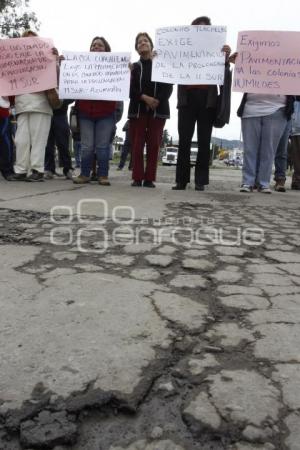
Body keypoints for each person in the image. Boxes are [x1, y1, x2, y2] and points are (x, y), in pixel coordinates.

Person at [172, 16, 231, 191]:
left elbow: (224, 77)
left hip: (208, 100)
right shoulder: (183, 48)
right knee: (184, 140)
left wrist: (225, 60)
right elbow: (169, 66)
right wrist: (159, 58)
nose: (201, 29)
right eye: (198, 27)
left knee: (205, 141)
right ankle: (181, 180)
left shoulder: (217, 50)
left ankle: (200, 181)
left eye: (205, 27)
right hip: (186, 99)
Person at [9, 30, 58, 182]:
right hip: (22, 106)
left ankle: (37, 169)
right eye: (26, 40)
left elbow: (57, 77)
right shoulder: (17, 62)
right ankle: (21, 170)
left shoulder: (48, 58)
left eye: (32, 40)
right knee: (21, 140)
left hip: (41, 105)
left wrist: (55, 60)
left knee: (38, 140)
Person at [128, 32, 173, 188]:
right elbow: (130, 89)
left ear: (152, 45)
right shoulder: (134, 67)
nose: (142, 43)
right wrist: (144, 98)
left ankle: (149, 178)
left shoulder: (162, 65)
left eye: (145, 41)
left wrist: (157, 100)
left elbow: (168, 86)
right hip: (138, 110)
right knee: (137, 144)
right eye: (139, 42)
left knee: (154, 144)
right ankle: (137, 177)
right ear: (136, 49)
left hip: (158, 110)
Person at [73, 36, 117, 186]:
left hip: (106, 113)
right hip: (86, 112)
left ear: (106, 50)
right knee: (86, 146)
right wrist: (65, 65)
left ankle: (103, 175)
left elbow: (123, 86)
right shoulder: (81, 65)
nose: (96, 47)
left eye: (100, 45)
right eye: (93, 45)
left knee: (103, 146)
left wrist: (127, 72)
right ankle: (85, 174)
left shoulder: (115, 67)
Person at [44, 100, 74, 179]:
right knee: (47, 144)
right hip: (46, 113)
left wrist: (61, 101)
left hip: (61, 114)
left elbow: (72, 96)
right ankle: (48, 169)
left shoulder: (65, 87)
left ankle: (67, 168)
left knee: (63, 143)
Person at [273, 120, 292, 192]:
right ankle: (257, 179)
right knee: (264, 149)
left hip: (286, 115)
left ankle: (280, 179)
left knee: (282, 150)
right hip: (268, 112)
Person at [0, 96, 14, 180]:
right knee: (5, 142)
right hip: (3, 111)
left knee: (5, 142)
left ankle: (7, 170)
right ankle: (7, 171)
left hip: (2, 111)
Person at [290, 97, 300, 190]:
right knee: (296, 155)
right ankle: (297, 180)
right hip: (296, 126)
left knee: (296, 155)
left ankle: (297, 180)